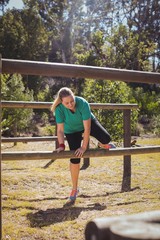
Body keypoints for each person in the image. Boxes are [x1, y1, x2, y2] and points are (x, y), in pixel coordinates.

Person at [51, 87, 115, 204]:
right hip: (72, 130)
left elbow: (87, 128)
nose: (70, 104)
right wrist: (61, 145)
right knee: (75, 158)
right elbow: (60, 130)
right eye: (67, 103)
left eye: (72, 101)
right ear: (61, 102)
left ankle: (101, 144)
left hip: (87, 124)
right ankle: (74, 189)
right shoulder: (59, 109)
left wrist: (84, 147)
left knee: (107, 139)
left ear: (74, 97)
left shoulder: (83, 103)